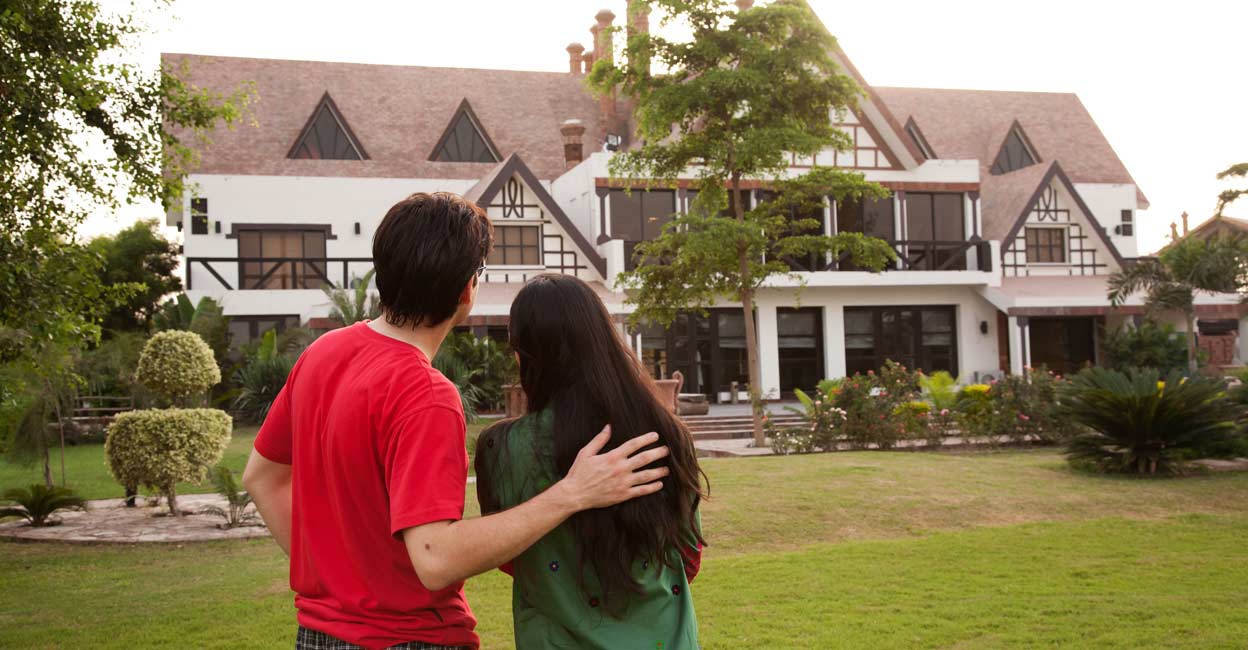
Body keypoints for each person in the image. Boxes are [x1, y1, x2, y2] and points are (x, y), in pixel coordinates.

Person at [242, 193, 671, 650]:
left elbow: (261, 477)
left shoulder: (321, 354)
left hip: (317, 636)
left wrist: (336, 577)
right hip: (408, 640)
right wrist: (571, 494)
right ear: (468, 288)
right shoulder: (425, 395)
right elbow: (435, 558)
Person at [475, 274, 708, 650]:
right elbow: (689, 555)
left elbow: (507, 553)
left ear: (525, 354)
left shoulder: (500, 449)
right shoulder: (665, 434)